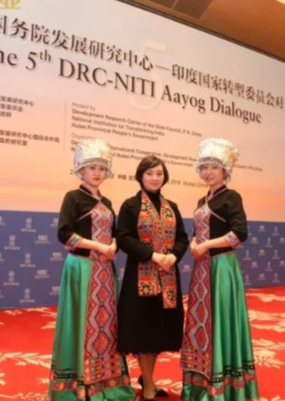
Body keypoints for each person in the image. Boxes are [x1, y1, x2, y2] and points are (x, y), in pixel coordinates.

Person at [49, 138, 135, 401]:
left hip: (105, 272)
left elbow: (115, 233)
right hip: (82, 269)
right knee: (81, 323)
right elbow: (65, 234)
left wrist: (113, 244)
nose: (97, 172)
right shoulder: (73, 198)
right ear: (81, 170)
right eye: (92, 167)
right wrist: (98, 246)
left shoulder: (106, 201)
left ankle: (107, 383)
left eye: (101, 168)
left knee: (106, 325)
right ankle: (80, 384)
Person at [181, 138, 260, 401]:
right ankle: (200, 382)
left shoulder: (231, 197)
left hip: (221, 267)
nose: (208, 172)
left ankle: (222, 386)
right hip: (202, 270)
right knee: (202, 322)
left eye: (214, 167)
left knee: (220, 319)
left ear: (226, 170)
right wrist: (194, 242)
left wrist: (206, 245)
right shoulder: (202, 199)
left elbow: (239, 234)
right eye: (204, 167)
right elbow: (197, 232)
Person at [116, 155, 189, 401]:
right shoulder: (130, 205)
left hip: (168, 276)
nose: (155, 178)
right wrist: (152, 255)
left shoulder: (173, 207)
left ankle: (147, 377)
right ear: (140, 176)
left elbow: (182, 238)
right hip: (140, 276)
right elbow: (124, 238)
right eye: (149, 173)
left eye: (159, 173)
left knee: (158, 331)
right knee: (142, 331)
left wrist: (174, 255)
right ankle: (148, 384)